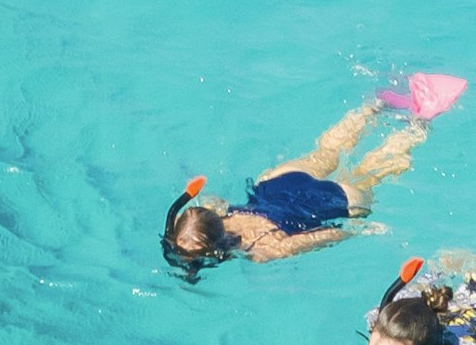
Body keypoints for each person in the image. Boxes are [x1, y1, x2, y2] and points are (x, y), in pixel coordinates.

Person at [160, 92, 438, 275]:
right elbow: (208, 201)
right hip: (276, 184)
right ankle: (372, 107)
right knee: (326, 152)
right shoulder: (215, 209)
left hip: (325, 203)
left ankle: (418, 126)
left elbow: (317, 238)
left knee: (370, 172)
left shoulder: (261, 250)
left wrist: (359, 232)